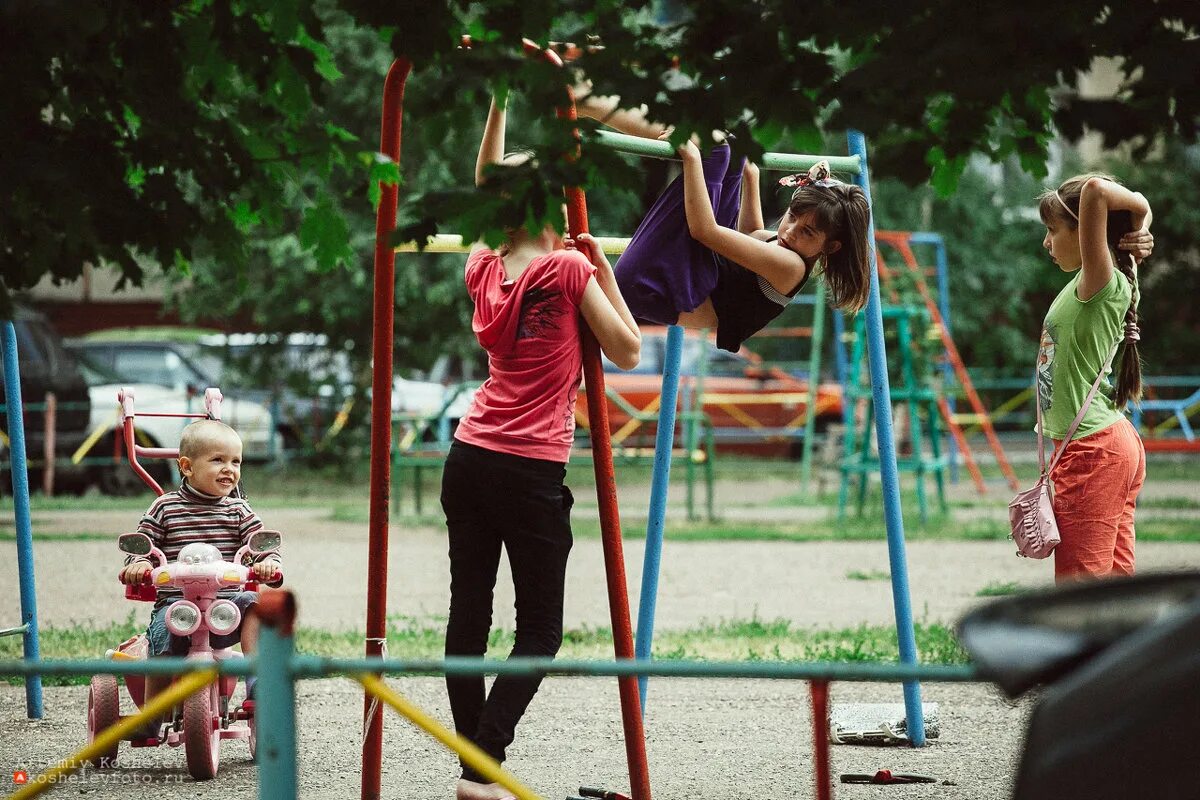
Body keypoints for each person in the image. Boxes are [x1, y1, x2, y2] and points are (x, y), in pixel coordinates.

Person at [441, 96, 640, 800]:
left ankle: (475, 773)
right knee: (541, 630)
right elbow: (626, 346)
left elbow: (483, 179)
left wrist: (495, 96)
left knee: (469, 618)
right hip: (528, 467)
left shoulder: (483, 268)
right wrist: (601, 268)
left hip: (468, 456)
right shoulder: (566, 271)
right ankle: (482, 765)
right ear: (551, 203)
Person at [575, 90, 872, 353]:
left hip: (657, 285)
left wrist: (692, 160)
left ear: (831, 246)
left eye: (806, 231)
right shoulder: (785, 249)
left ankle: (588, 101)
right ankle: (589, 99)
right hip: (682, 278)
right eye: (792, 217)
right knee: (727, 149)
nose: (790, 231)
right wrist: (749, 175)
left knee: (713, 149)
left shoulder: (791, 266)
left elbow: (704, 231)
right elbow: (752, 233)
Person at [119, 419, 282, 728]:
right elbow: (144, 545)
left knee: (255, 607)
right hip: (176, 606)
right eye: (218, 460)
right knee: (161, 643)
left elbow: (261, 545)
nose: (229, 469)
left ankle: (257, 680)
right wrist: (138, 564)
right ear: (187, 467)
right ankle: (152, 714)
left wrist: (268, 563)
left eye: (236, 461)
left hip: (226, 606)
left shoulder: (239, 511)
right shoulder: (165, 508)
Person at [1036, 174, 1154, 581]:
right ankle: (1128, 648)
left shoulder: (1099, 283)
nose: (1046, 243)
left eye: (1053, 230)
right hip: (1099, 446)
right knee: (1113, 591)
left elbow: (1096, 192)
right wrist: (1138, 225)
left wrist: (1140, 213)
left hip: (1093, 451)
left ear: (1086, 228)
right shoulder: (1091, 282)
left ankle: (1091, 649)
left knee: (1079, 591)